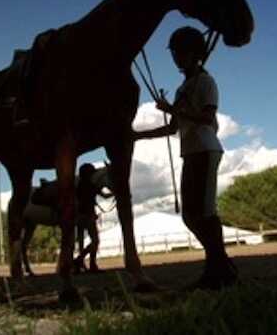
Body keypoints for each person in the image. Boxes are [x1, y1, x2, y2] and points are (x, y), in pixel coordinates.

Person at [133, 26, 237, 290]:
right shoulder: (183, 88)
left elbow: (206, 117)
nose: (176, 57)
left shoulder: (205, 82)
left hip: (205, 149)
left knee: (204, 213)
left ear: (194, 53)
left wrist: (172, 108)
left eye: (180, 52)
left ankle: (217, 269)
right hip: (191, 152)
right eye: (175, 53)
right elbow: (172, 128)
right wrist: (136, 136)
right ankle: (220, 266)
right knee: (191, 216)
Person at [73, 163, 113, 273]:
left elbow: (103, 195)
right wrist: (115, 194)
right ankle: (83, 261)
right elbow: (104, 196)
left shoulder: (81, 185)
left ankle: (83, 263)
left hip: (81, 216)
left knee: (88, 241)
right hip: (88, 215)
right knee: (95, 240)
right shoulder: (90, 185)